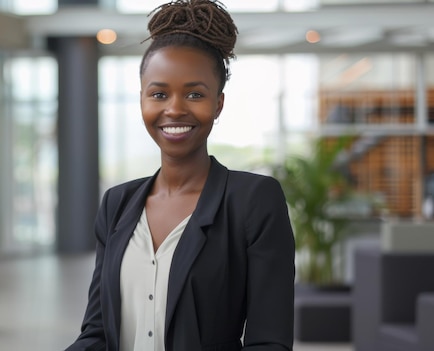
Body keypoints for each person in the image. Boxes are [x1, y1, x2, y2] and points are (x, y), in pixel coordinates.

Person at [65, 0, 295, 350]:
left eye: (194, 94)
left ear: (218, 103)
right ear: (142, 99)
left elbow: (269, 342)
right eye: (159, 94)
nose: (174, 108)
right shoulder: (117, 204)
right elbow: (97, 334)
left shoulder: (253, 201)